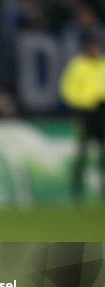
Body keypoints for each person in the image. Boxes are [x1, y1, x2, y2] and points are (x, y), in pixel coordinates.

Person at [60, 33, 105, 201]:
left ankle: (103, 189)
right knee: (82, 152)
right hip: (86, 113)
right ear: (86, 48)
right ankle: (77, 190)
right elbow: (68, 90)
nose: (94, 50)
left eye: (96, 47)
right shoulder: (78, 66)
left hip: (102, 112)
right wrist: (84, 102)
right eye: (91, 47)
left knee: (102, 153)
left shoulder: (103, 64)